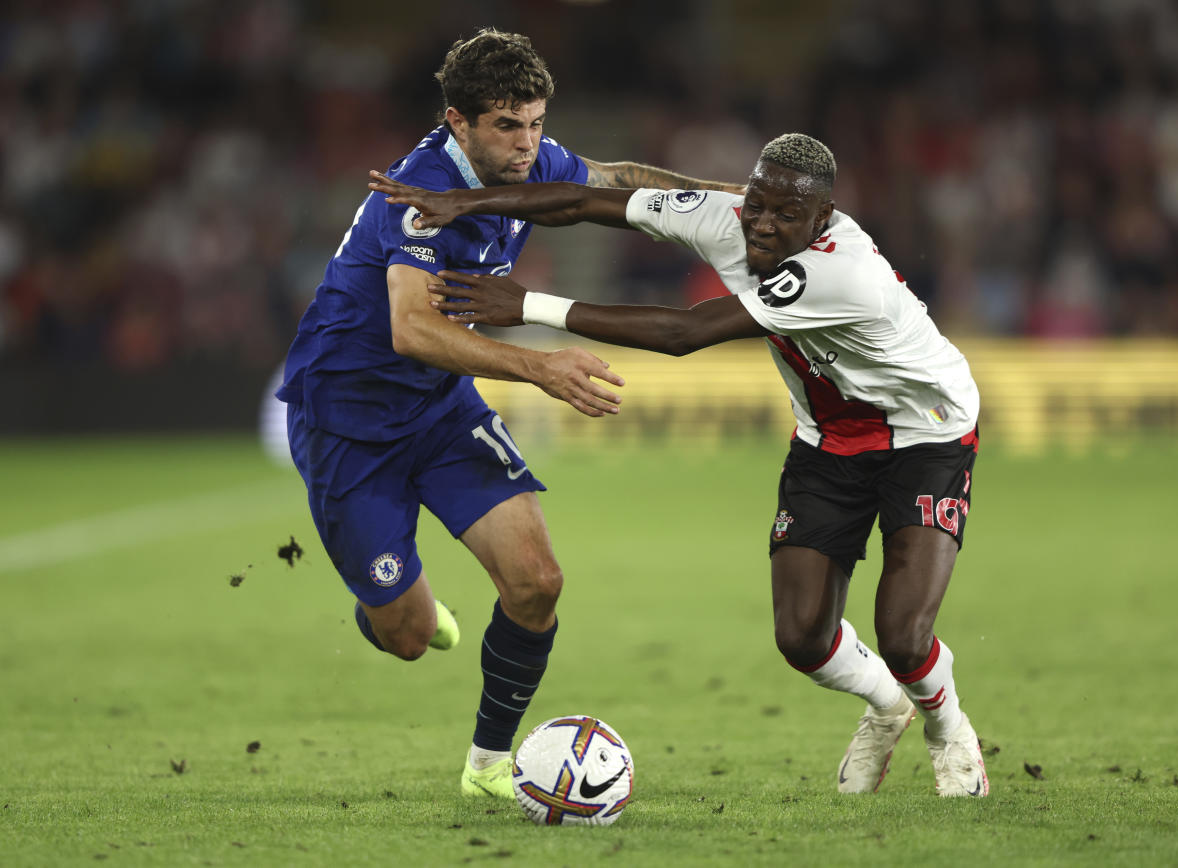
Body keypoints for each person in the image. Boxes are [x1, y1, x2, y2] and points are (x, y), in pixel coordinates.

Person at [367, 132, 990, 797]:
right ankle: (886, 706)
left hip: (924, 435)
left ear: (824, 219)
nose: (763, 224)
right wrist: (466, 202)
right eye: (757, 204)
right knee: (802, 637)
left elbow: (684, 332)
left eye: (786, 216)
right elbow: (583, 201)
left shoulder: (843, 267)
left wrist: (527, 308)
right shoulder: (726, 217)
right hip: (826, 438)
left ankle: (947, 726)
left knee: (901, 633)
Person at [276, 28, 742, 800]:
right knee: (410, 636)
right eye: (506, 125)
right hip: (346, 419)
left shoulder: (533, 159)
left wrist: (732, 205)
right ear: (458, 122)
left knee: (537, 582)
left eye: (536, 122)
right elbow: (411, 329)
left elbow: (619, 178)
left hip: (437, 405)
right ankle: (393, 606)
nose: (528, 144)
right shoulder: (421, 193)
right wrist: (541, 366)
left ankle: (488, 766)